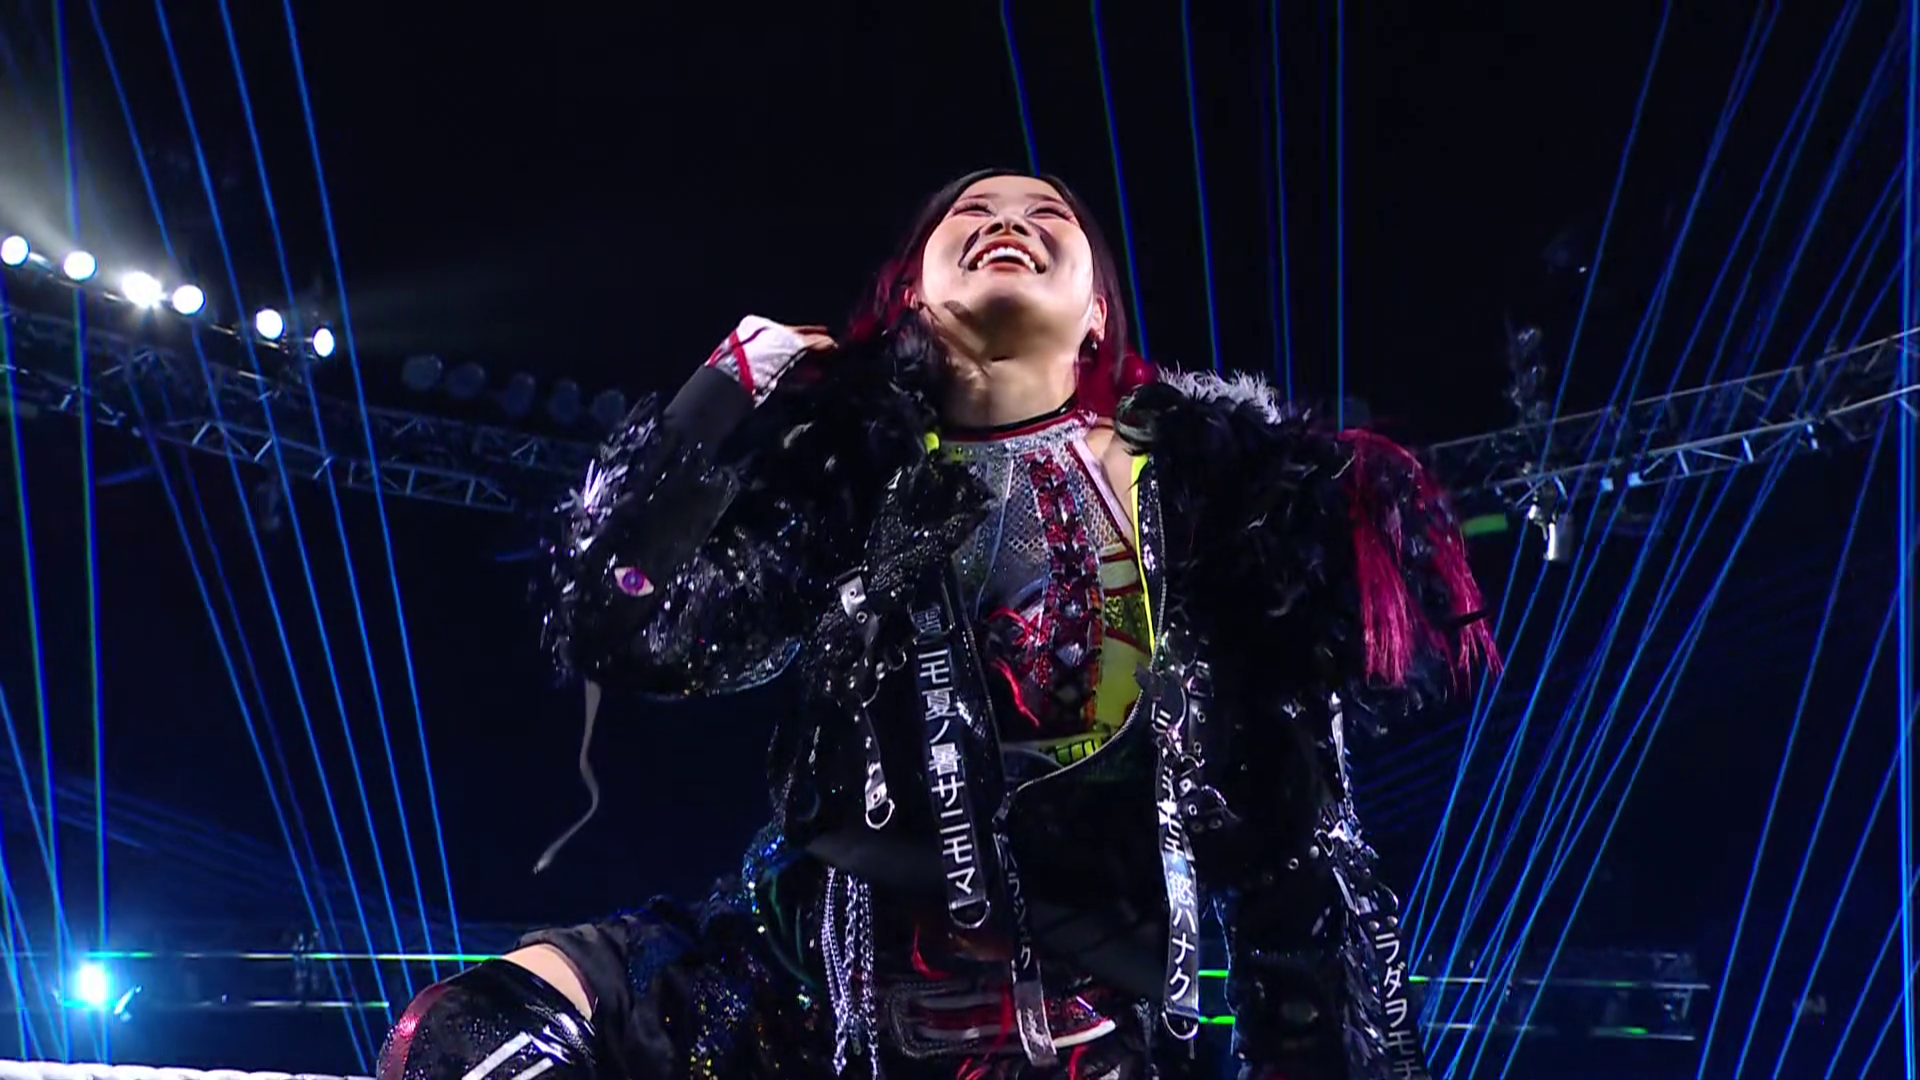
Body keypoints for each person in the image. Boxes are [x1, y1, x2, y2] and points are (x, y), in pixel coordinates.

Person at [378, 170, 1497, 1080]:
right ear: (911, 292)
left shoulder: (1226, 503)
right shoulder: (843, 482)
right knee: (468, 1041)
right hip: (788, 1005)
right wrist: (722, 393)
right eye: (973, 212)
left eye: (1048, 214)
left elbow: (1306, 869)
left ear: (1098, 311)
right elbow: (620, 626)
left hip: (1084, 1046)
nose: (1009, 221)